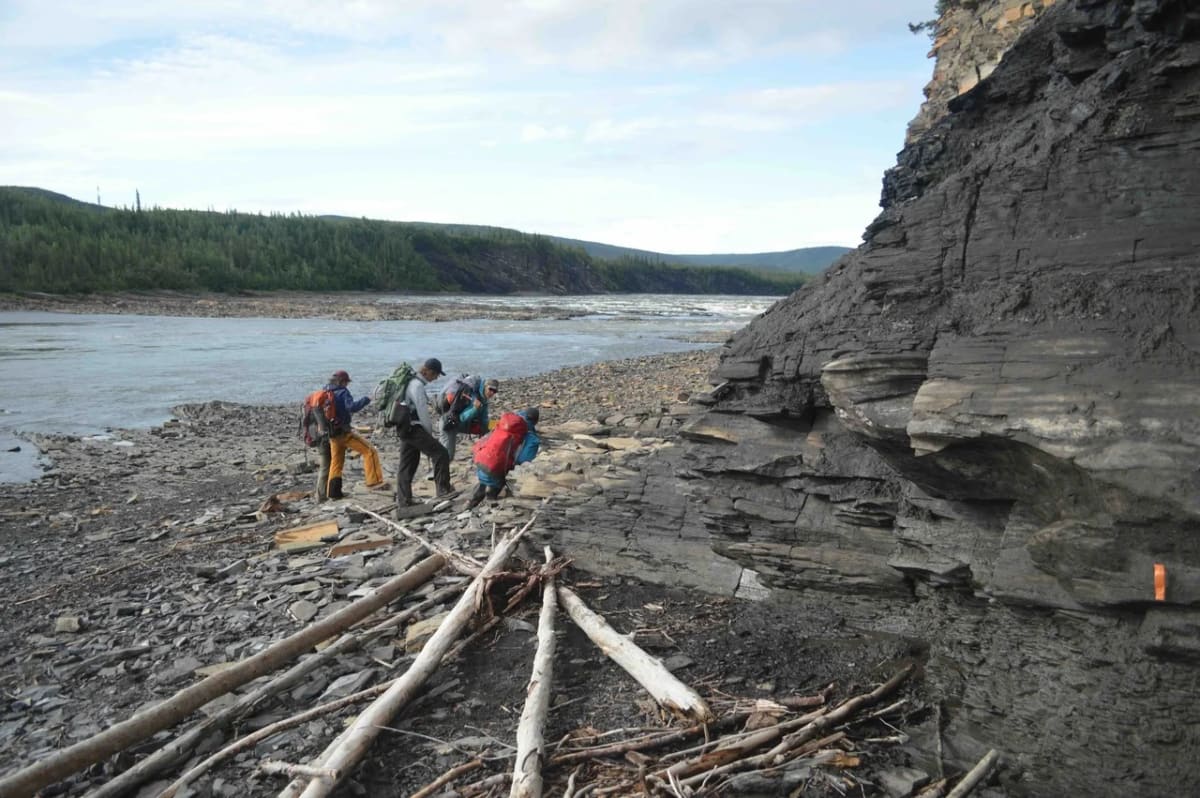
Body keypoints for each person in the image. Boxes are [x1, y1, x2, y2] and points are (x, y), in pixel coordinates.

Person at [395, 358, 456, 510]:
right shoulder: (417, 386)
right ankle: (443, 491)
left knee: (407, 464)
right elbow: (422, 412)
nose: (435, 378)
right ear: (427, 371)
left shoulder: (410, 382)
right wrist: (429, 433)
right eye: (435, 375)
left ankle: (404, 501)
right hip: (414, 428)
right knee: (441, 453)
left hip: (404, 427)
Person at [324, 369, 385, 499]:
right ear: (342, 382)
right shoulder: (343, 392)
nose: (347, 384)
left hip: (332, 433)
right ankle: (374, 482)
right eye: (346, 382)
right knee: (370, 451)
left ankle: (333, 493)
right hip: (343, 433)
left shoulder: (326, 391)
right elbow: (352, 407)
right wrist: (367, 399)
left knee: (336, 462)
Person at [466, 407, 540, 509]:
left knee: (484, 479)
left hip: (481, 458)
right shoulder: (531, 437)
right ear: (535, 422)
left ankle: (470, 504)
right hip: (496, 468)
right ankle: (490, 505)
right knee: (496, 483)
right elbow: (523, 460)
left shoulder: (505, 422)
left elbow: (489, 431)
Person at [439, 377, 499, 463]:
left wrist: (498, 424)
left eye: (495, 391)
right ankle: (438, 470)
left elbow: (484, 421)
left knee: (492, 427)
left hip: (462, 425)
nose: (492, 393)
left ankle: (487, 454)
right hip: (449, 423)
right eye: (491, 389)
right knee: (448, 456)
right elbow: (461, 418)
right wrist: (474, 409)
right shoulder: (472, 395)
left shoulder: (483, 399)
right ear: (485, 386)